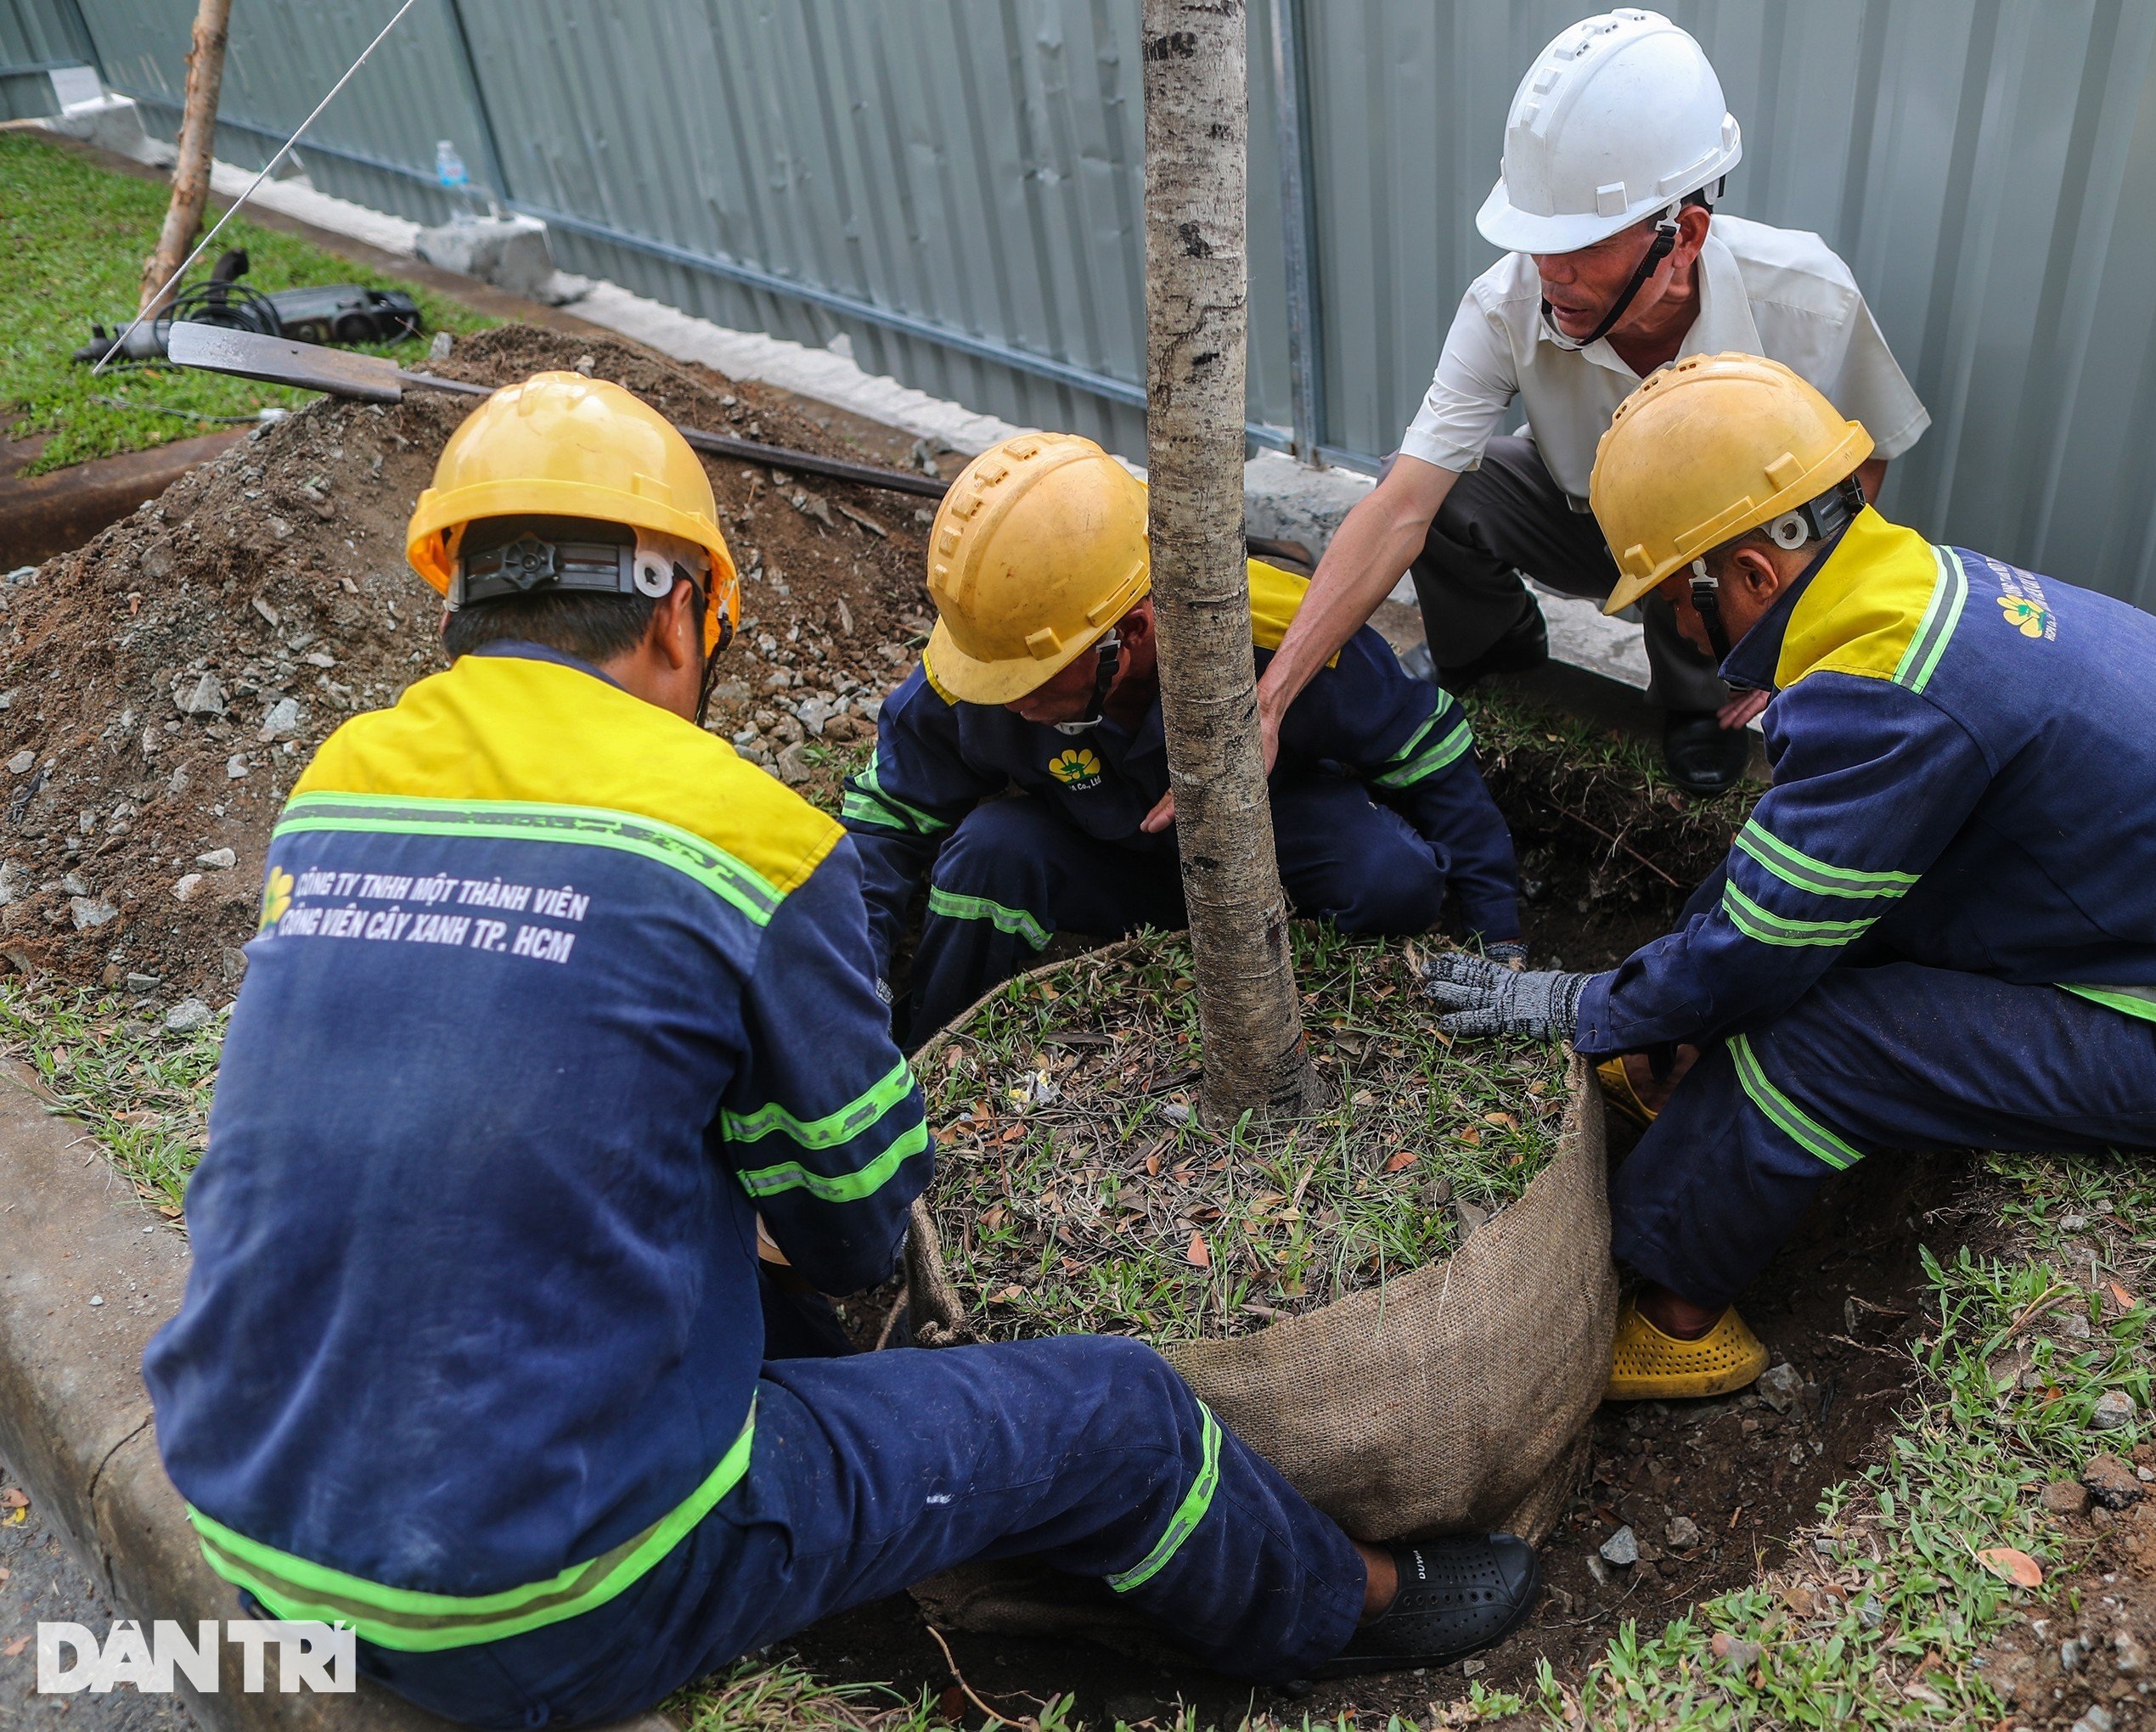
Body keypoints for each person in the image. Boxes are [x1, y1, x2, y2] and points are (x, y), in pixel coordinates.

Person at [141, 374, 1539, 1728]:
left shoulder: (332, 787)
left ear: (459, 592)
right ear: (682, 610)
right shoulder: (742, 837)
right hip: (540, 1609)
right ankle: (1345, 1600)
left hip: (253, 1540)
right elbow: (859, 1239)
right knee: (1116, 1413)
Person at [1425, 354, 2156, 1403]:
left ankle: (1678, 1322)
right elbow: (1782, 888)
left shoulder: (1892, 694)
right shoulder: (1908, 592)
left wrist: (1583, 1004)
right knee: (1794, 895)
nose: (1673, 631)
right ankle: (1672, 1066)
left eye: (1669, 602)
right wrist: (1652, 1017)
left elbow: (1757, 952)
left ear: (1750, 573)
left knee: (1818, 1039)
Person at [1258, 9, 1928, 796]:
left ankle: (1698, 701)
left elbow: (1867, 456)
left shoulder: (1807, 299)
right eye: (1538, 239)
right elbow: (1404, 504)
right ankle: (1496, 653)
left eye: (1582, 246)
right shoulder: (1505, 303)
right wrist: (1271, 701)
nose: (1551, 272)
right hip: (1585, 515)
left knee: (1722, 531)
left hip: (1719, 543)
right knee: (1439, 491)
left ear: (1684, 235)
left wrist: (1787, 630)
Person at [845, 430, 1525, 1045]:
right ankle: (921, 1047)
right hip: (1100, 854)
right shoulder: (981, 659)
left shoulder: (1283, 634)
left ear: (1131, 634)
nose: (1009, 703)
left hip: (1269, 841)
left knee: (1392, 879)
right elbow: (887, 817)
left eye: (1033, 681)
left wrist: (1498, 939)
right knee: (988, 851)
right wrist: (861, 983)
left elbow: (1431, 754)